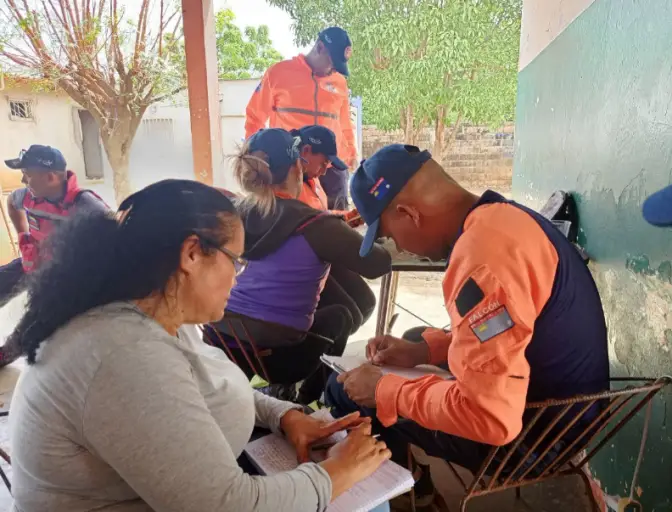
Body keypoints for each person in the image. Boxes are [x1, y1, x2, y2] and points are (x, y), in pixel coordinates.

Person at [7, 178, 392, 512]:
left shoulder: (160, 315)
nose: (237, 279)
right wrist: (336, 473)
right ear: (192, 254)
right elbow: (228, 507)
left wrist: (285, 416)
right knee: (368, 499)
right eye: (236, 262)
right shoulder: (122, 356)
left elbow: (204, 385)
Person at [325, 144, 610, 507]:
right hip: (570, 413)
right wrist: (423, 351)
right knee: (414, 340)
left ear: (408, 214)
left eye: (391, 236)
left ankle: (413, 495)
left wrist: (386, 391)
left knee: (345, 391)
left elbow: (490, 418)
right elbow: (512, 327)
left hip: (536, 437)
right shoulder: (502, 218)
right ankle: (411, 478)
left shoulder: (480, 258)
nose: (401, 247)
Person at [210, 128, 390, 405]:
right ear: (297, 166)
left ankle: (280, 395)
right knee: (340, 314)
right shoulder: (316, 225)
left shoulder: (230, 212)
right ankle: (308, 398)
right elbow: (378, 264)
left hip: (222, 340)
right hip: (281, 358)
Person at [0, 144, 108, 366]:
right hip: (35, 260)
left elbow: (114, 234)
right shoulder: (29, 196)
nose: (23, 182)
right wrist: (24, 235)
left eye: (27, 176)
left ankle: (8, 352)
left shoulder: (85, 204)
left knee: (38, 316)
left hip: (64, 273)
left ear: (50, 177)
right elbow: (12, 202)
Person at [245, 26, 357, 207]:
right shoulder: (278, 73)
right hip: (293, 165)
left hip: (332, 164)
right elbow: (255, 116)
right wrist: (253, 157)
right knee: (297, 219)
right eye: (331, 62)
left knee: (340, 224)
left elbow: (344, 121)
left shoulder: (339, 82)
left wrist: (350, 151)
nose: (332, 71)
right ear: (320, 47)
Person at [289, 125, 375, 335]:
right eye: (324, 162)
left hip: (325, 253)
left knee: (366, 302)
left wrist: (349, 217)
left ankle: (325, 348)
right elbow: (306, 223)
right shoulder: (287, 184)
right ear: (306, 151)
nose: (326, 169)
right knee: (346, 316)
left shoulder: (312, 179)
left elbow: (320, 215)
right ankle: (316, 353)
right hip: (305, 262)